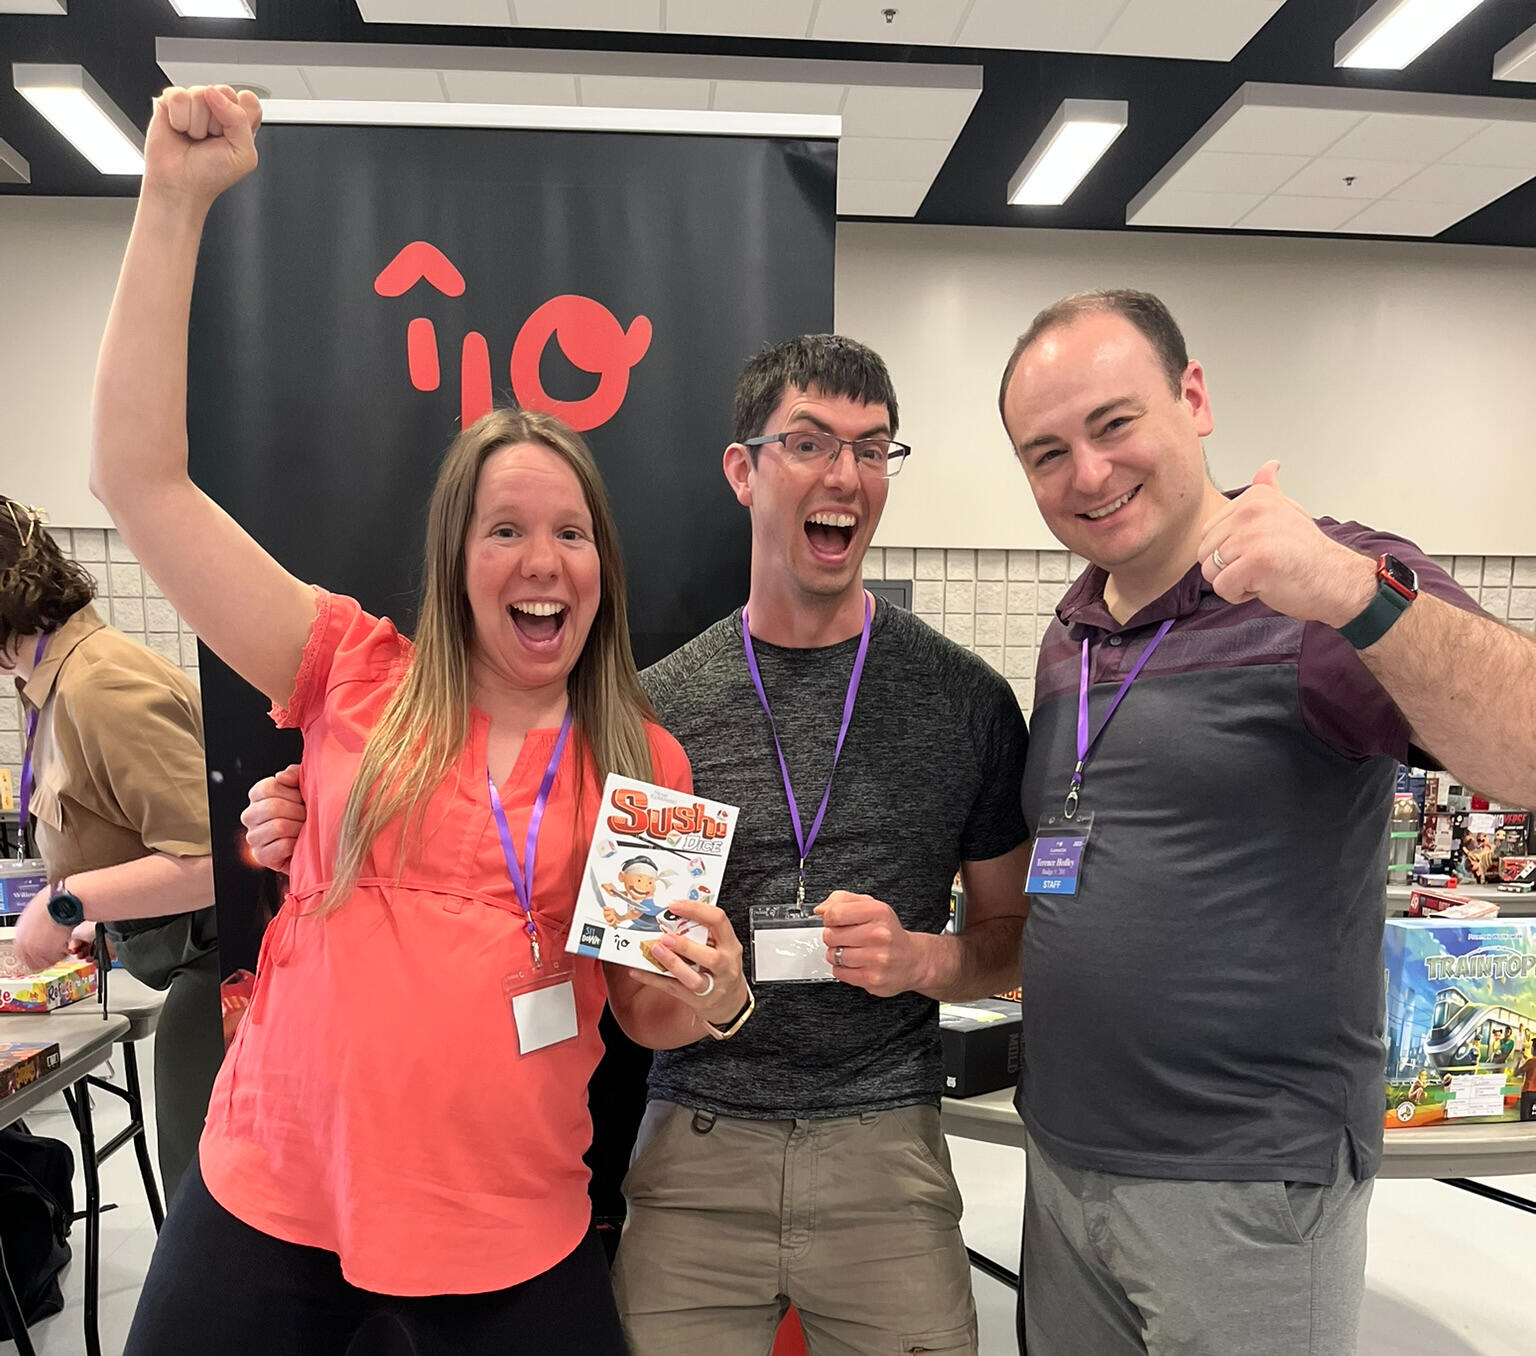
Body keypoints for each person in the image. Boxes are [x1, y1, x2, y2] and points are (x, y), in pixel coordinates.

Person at [93, 84, 732, 1355]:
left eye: (571, 533)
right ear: (456, 559)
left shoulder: (644, 759)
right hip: (274, 1190)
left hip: (511, 1226)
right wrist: (172, 201)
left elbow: (645, 1014)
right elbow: (138, 483)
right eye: (506, 530)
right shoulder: (349, 668)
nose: (541, 559)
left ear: (603, 567)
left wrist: (710, 995)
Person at [245, 332, 1033, 1355]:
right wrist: (325, 804)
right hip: (694, 1149)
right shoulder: (649, 717)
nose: (844, 474)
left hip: (887, 1149)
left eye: (872, 449)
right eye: (809, 442)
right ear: (743, 470)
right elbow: (535, 878)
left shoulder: (967, 701)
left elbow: (1012, 937)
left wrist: (926, 959)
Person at [997, 288, 1536, 1355]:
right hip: (1063, 1163)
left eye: (1114, 423)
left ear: (1193, 399)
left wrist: (1353, 594)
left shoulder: (1327, 582)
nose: (1088, 475)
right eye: (1047, 453)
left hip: (1245, 1182)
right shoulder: (1075, 633)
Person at [2, 498, 223, 1201]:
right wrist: (102, 916)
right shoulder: (55, 682)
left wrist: (65, 904)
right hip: (185, 958)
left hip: (226, 972)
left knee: (202, 1195)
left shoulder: (101, 686)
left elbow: (211, 862)